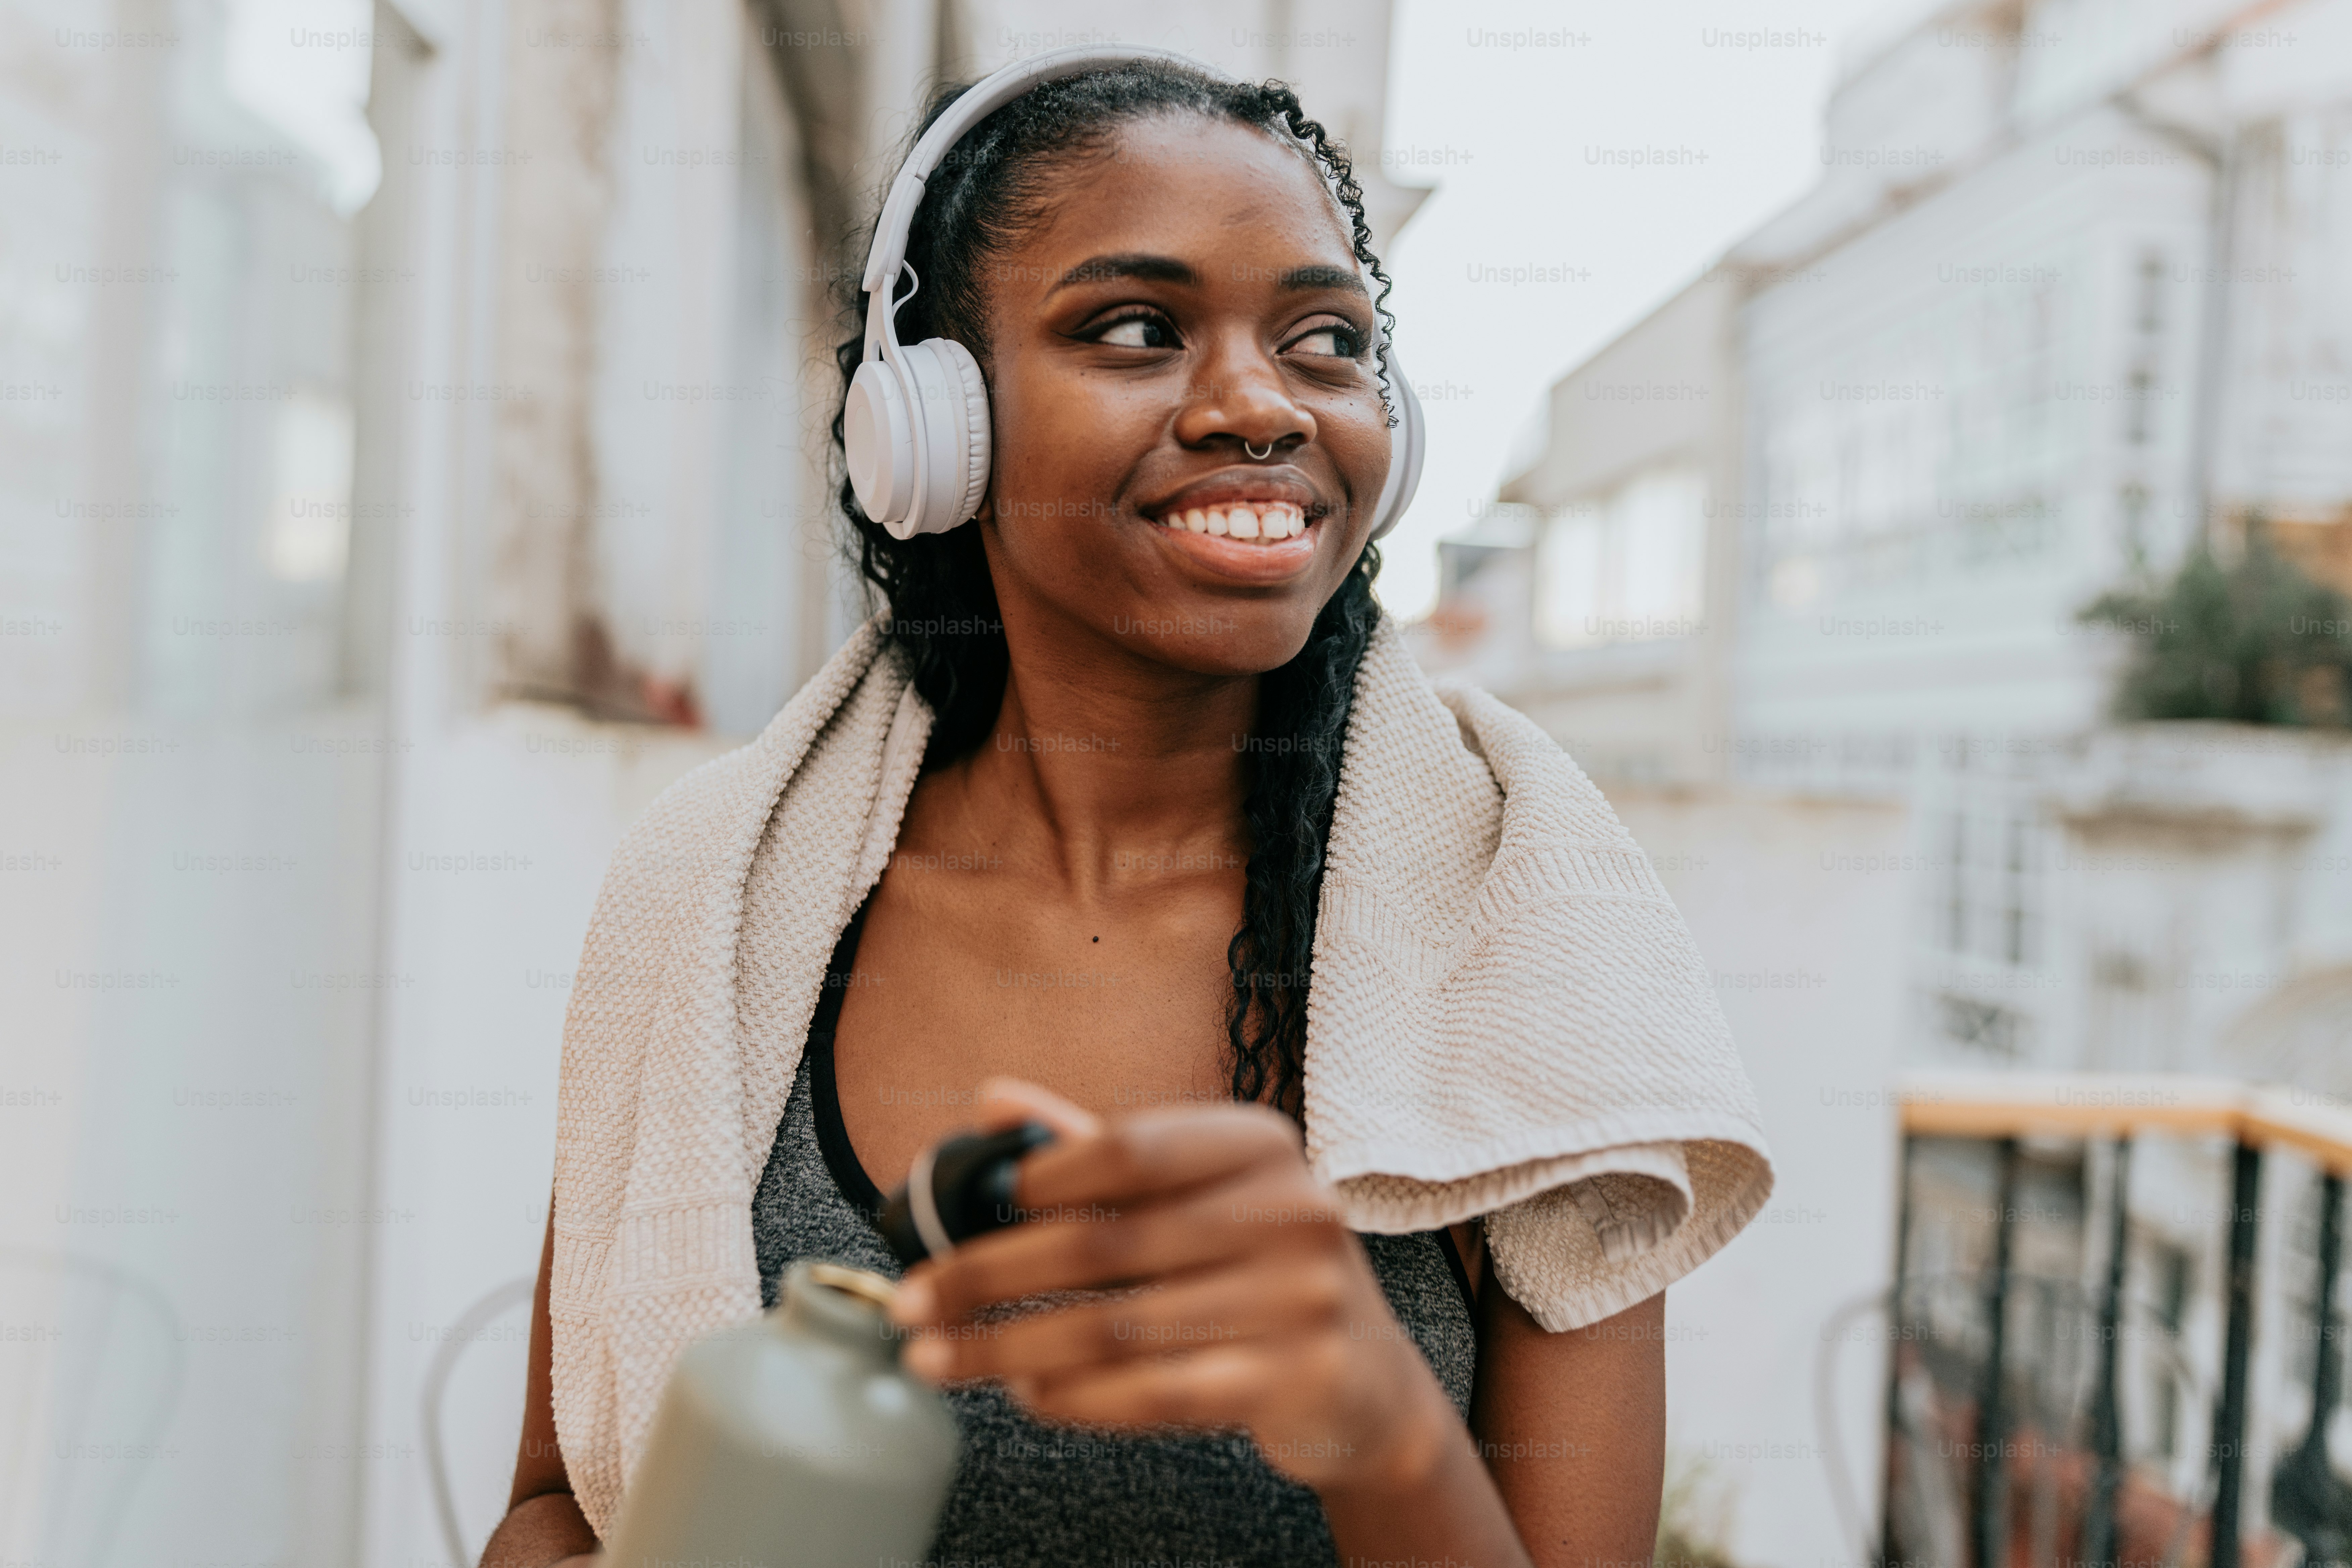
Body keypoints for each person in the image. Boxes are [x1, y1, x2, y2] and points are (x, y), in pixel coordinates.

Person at [484, 54, 1769, 1568]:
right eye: (1137, 328)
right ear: (938, 421)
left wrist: (1380, 1430)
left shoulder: (1528, 933)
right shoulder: (709, 898)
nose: (1257, 404)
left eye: (1325, 341)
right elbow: (555, 1508)